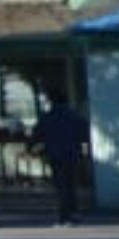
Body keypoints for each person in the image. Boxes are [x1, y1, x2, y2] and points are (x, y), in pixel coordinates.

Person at [33, 94, 91, 226]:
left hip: (55, 156)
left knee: (61, 187)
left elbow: (37, 134)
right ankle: (73, 214)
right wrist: (84, 153)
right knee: (71, 186)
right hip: (72, 155)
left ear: (52, 102)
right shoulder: (75, 117)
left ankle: (64, 217)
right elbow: (85, 135)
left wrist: (34, 148)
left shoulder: (47, 118)